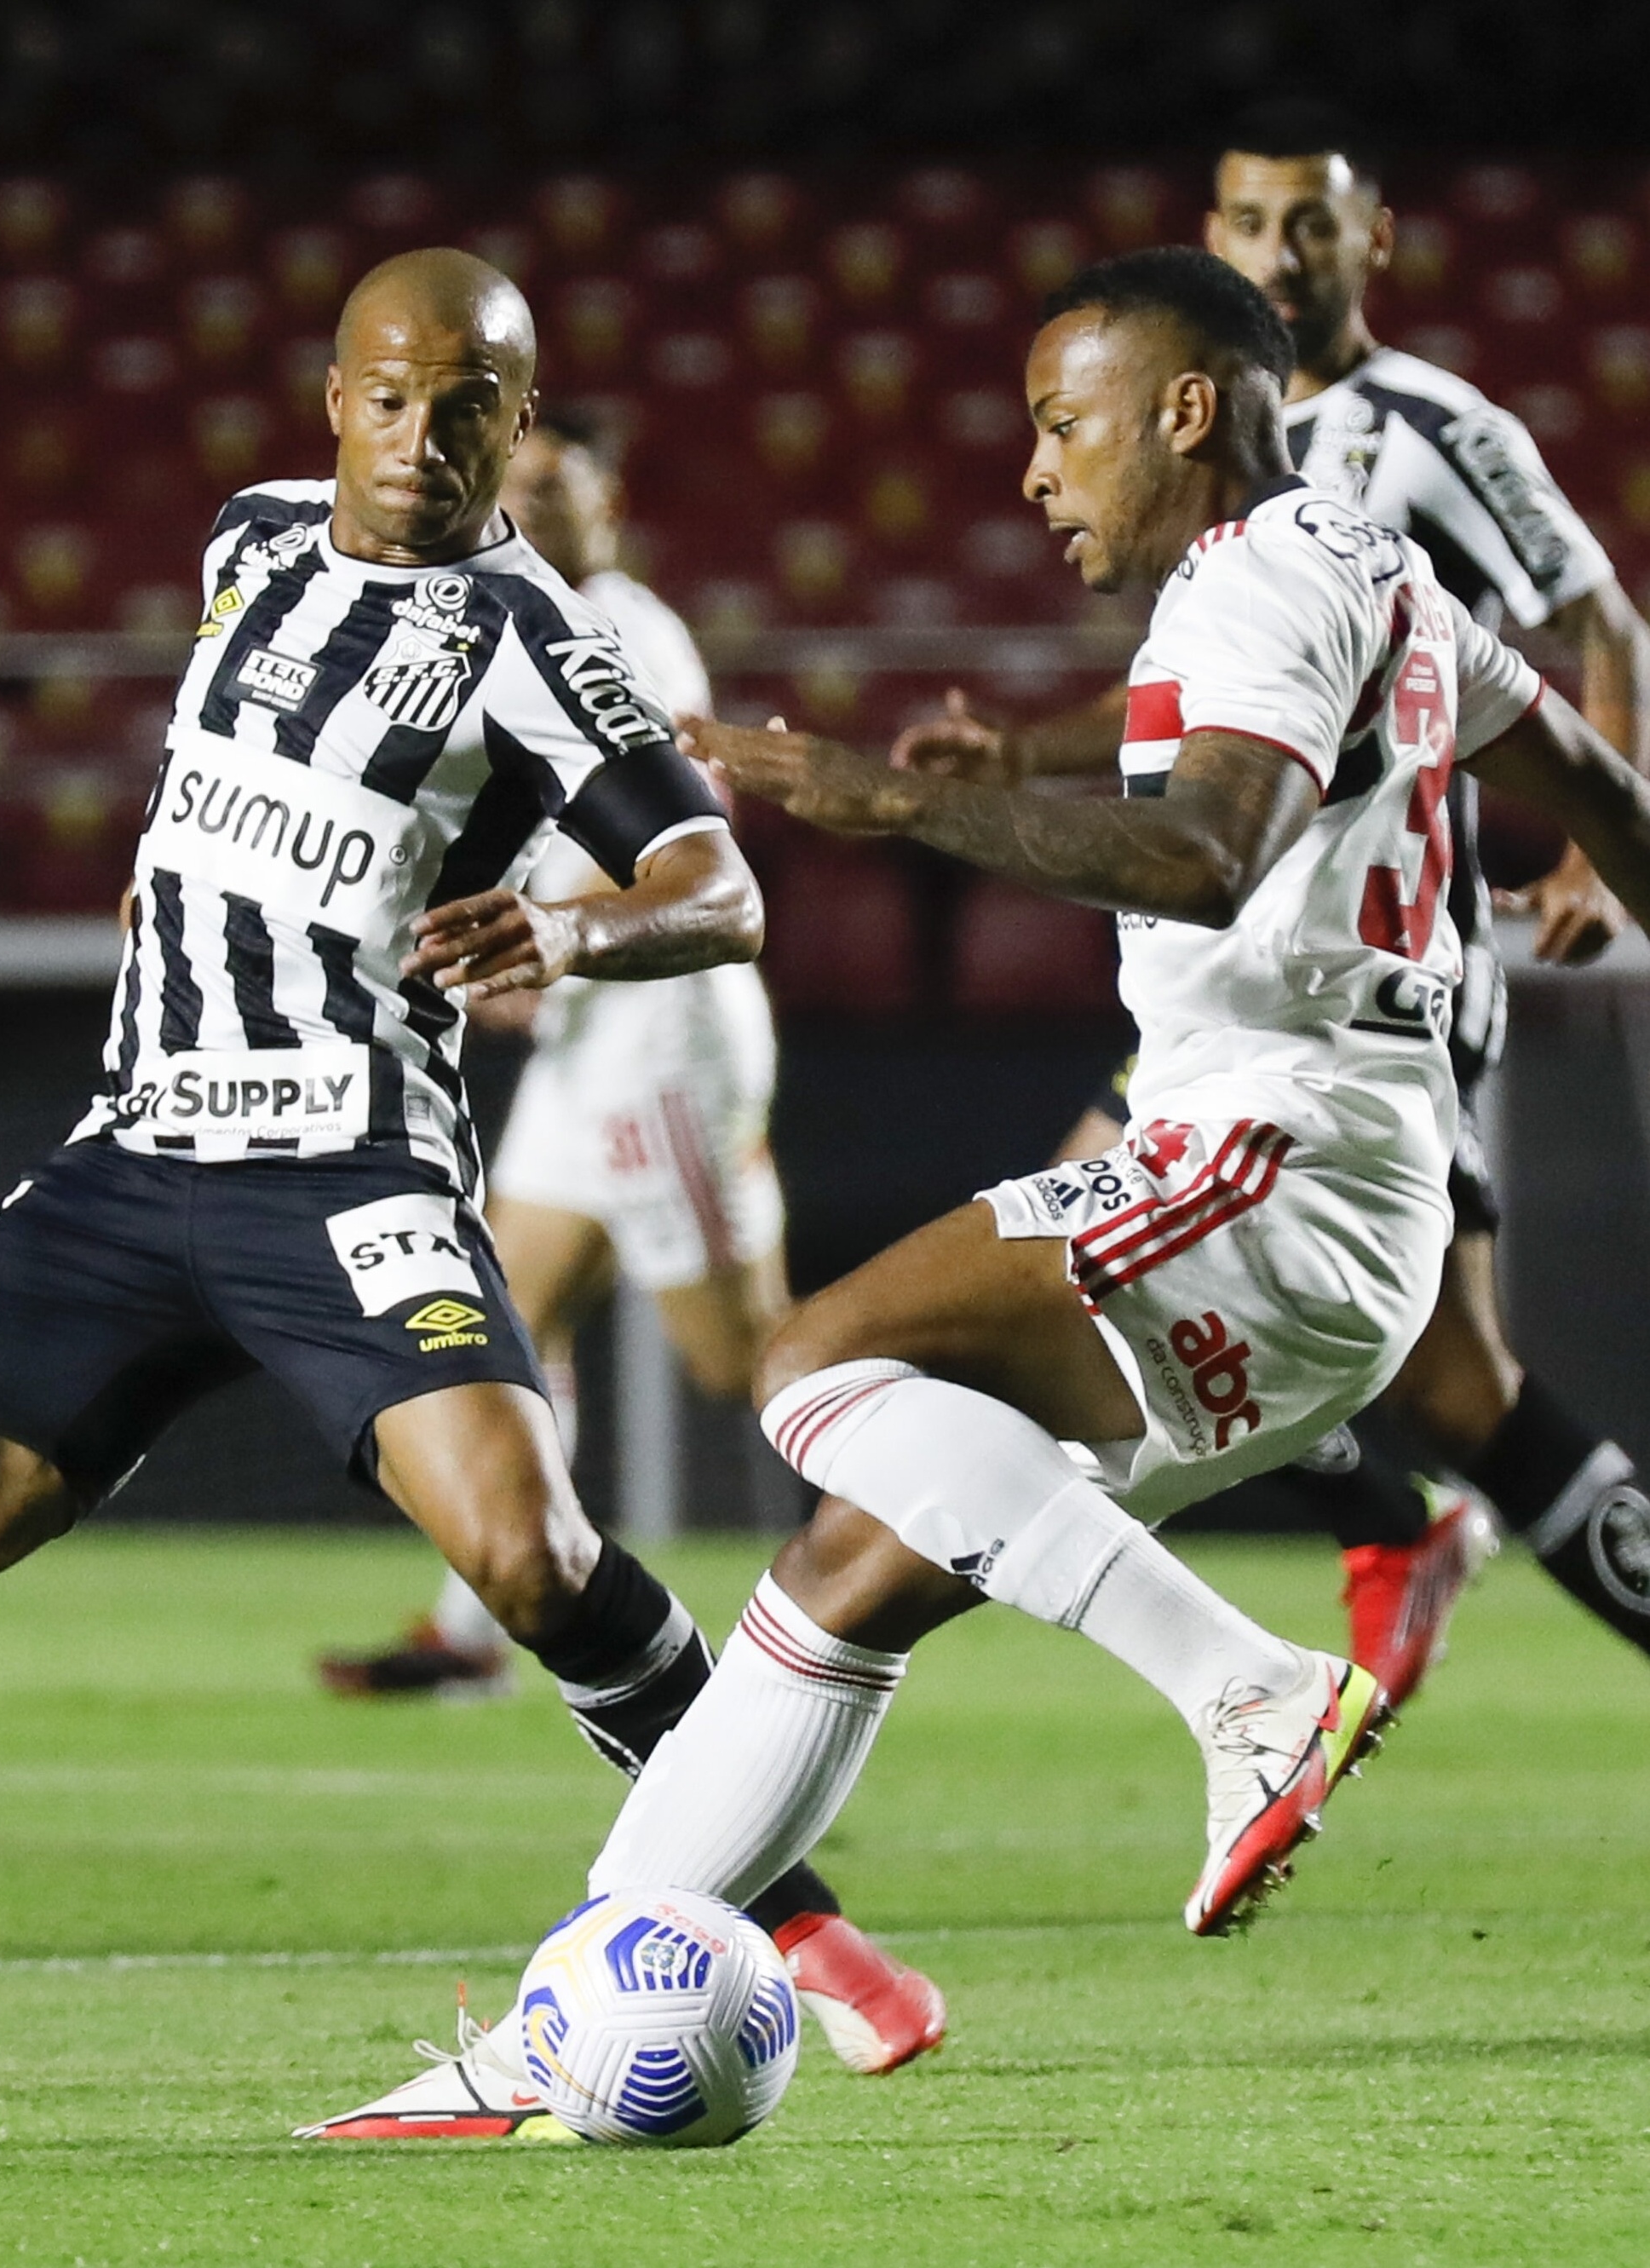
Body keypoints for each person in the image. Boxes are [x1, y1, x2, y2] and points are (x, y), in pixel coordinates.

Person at [456, 245, 1650, 2024]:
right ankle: (566, 2016)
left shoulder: (1254, 584)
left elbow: (1204, 851)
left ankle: (1243, 1683)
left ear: (1182, 410)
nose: (1030, 472)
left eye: (1058, 424)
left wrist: (891, 797)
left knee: (810, 1361)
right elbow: (1599, 785)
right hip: (1335, 1185)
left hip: (1273, 1156)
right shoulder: (1369, 572)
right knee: (842, 1566)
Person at [0, 248, 945, 2138]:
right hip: (133, 1143)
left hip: (349, 1169)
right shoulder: (243, 546)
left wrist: (568, 922)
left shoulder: (533, 635)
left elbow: (719, 887)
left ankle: (786, 1914)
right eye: (391, 398)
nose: (423, 440)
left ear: (517, 420)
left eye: (469, 407)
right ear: (332, 399)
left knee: (528, 1556)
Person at [890, 102, 1650, 1704]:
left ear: (1370, 237)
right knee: (1455, 1385)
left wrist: (1589, 855)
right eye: (1247, 220)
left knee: (1119, 1257)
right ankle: (1392, 1533)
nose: (1278, 249)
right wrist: (1025, 747)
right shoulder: (1196, 457)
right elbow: (1232, 710)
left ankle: (1354, 1559)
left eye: (1310, 220)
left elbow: (1603, 640)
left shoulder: (1446, 433)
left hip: (1365, 959)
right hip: (1248, 961)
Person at [318, 406, 791, 1703]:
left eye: (554, 484)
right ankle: (477, 1634)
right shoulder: (505, 617)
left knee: (752, 1362)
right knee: (508, 1318)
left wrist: (557, 929)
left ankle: (948, 1529)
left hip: (659, 1040)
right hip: (587, 1045)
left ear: (607, 498)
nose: (532, 506)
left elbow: (689, 825)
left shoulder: (627, 627)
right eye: (515, 487)